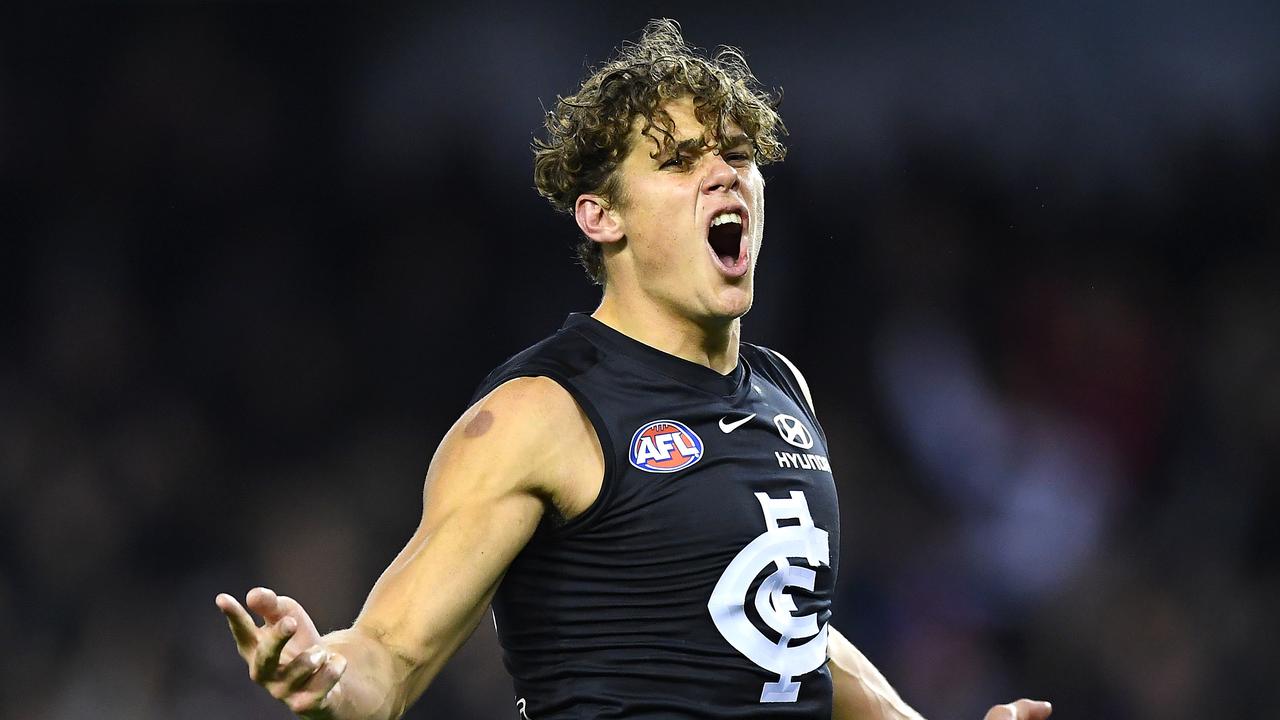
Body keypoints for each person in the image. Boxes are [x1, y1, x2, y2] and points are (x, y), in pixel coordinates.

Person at [215, 19, 1053, 720]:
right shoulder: (545, 413)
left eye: (738, 155)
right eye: (682, 161)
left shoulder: (782, 393)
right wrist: (323, 677)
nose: (725, 173)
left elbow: (785, 631)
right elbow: (392, 652)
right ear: (601, 214)